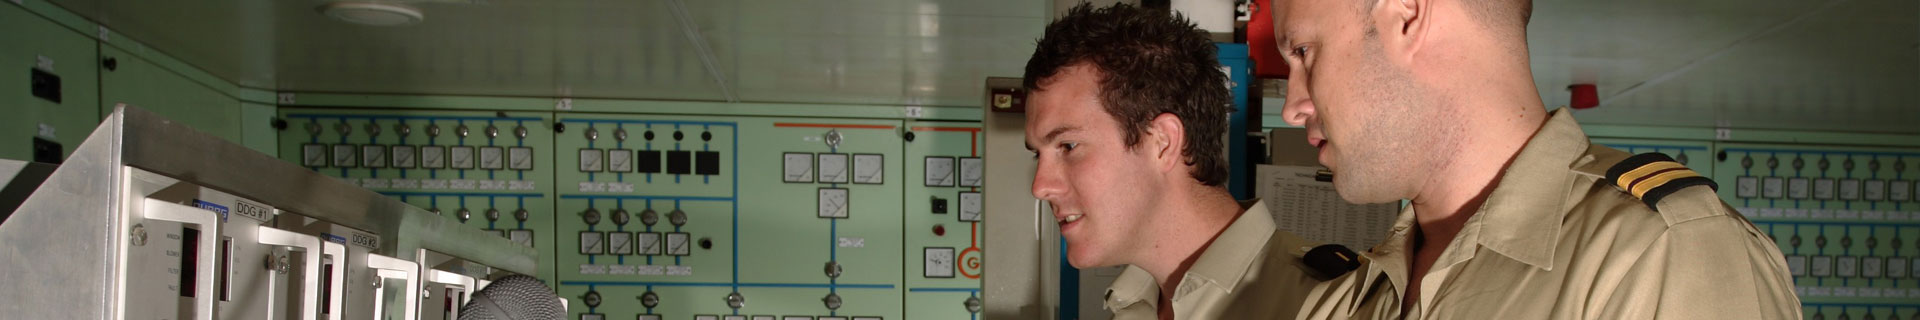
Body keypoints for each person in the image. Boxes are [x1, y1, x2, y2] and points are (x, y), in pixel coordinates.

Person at [1269, 0, 1801, 318]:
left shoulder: (1663, 258)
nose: (1293, 106)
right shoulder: (1345, 302)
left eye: (1303, 52)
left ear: (1407, 14)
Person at [1023, 3, 1342, 319]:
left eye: (1068, 146)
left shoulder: (1326, 306)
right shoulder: (1130, 308)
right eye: (1039, 154)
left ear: (1163, 142)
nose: (1040, 186)